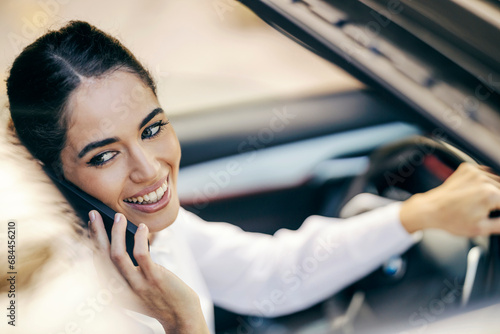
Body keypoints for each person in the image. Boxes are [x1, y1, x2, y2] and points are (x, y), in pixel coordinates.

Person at [6, 20, 500, 333]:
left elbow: (269, 274)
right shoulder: (61, 308)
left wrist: (419, 213)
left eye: (152, 128)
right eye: (103, 156)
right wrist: (184, 322)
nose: (150, 168)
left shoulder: (141, 232)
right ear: (50, 174)